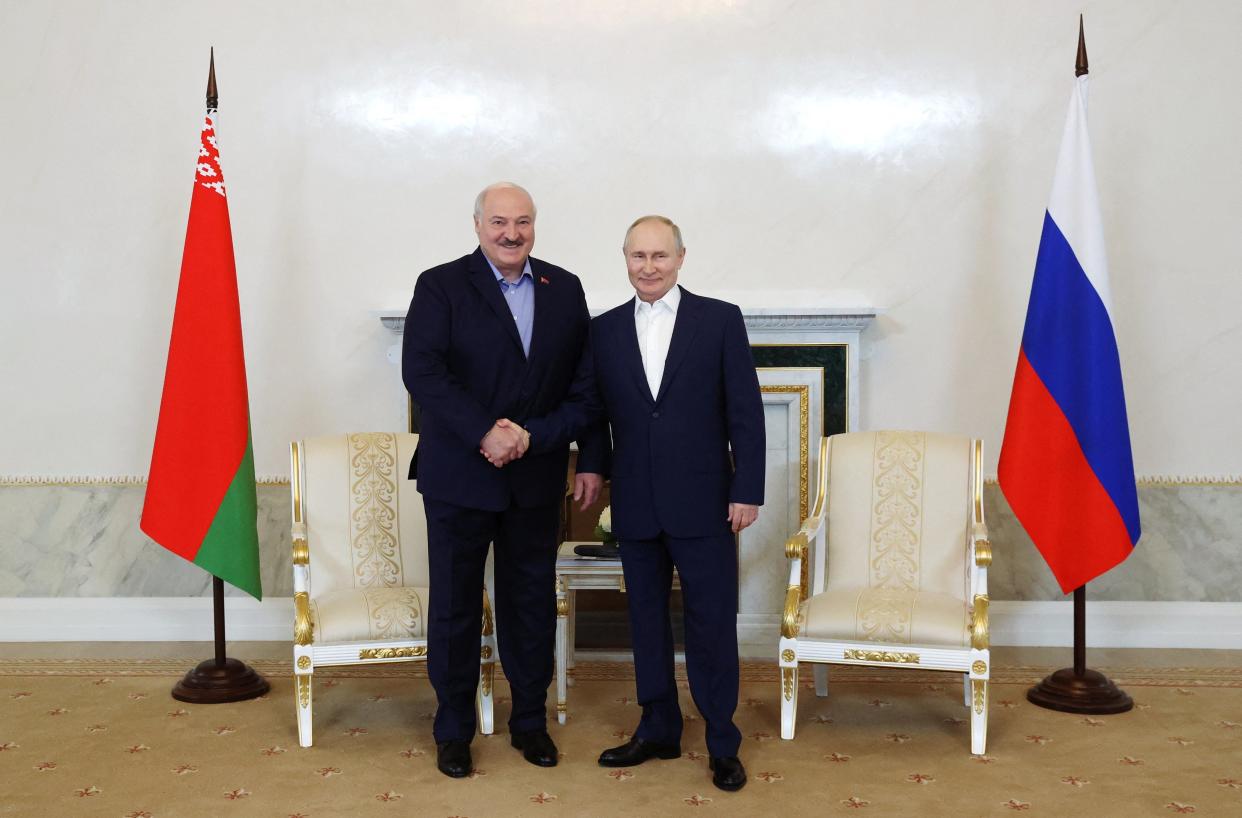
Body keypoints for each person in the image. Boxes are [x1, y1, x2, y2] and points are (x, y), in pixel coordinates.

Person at [402, 182, 605, 778]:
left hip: (535, 480)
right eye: (499, 222)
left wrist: (555, 444)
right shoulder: (439, 285)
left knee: (530, 606)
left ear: (535, 226)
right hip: (459, 478)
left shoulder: (564, 288)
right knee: (456, 608)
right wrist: (485, 431)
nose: (511, 233)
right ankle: (453, 731)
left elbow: (587, 389)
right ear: (477, 225)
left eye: (522, 222)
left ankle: (529, 724)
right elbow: (424, 371)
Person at [579, 215, 765, 792]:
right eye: (638, 256)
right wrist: (591, 465)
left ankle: (721, 741)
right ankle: (657, 726)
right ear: (625, 259)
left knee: (710, 623)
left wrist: (747, 489)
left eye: (660, 255)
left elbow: (745, 412)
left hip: (707, 502)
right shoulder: (603, 330)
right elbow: (594, 414)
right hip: (635, 500)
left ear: (681, 258)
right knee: (646, 623)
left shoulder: (719, 320)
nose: (649, 266)